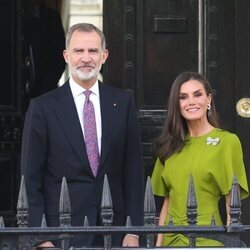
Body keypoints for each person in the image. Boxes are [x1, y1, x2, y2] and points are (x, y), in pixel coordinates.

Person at [21, 23, 144, 248]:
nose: (86, 58)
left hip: (114, 231)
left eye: (93, 51)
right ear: (66, 55)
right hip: (62, 232)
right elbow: (31, 177)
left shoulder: (122, 103)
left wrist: (133, 231)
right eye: (79, 51)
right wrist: (42, 236)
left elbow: (133, 170)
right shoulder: (43, 107)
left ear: (104, 56)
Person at [151, 71, 249, 247]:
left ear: (209, 99)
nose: (191, 102)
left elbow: (231, 204)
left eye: (198, 94)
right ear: (177, 104)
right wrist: (158, 245)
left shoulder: (227, 142)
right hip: (171, 240)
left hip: (208, 238)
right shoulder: (170, 145)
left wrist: (231, 244)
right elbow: (168, 200)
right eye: (183, 97)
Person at [23, 0, 65, 99]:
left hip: (45, 92)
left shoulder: (52, 18)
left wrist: (46, 88)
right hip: (13, 95)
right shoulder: (12, 15)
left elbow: (59, 57)